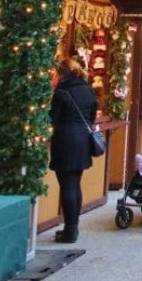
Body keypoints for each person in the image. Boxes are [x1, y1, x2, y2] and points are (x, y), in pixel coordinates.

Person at [48, 58, 97, 243]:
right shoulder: (88, 89)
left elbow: (53, 117)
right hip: (83, 140)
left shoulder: (62, 92)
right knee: (75, 184)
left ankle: (70, 231)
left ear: (61, 73)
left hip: (65, 139)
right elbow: (92, 116)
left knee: (67, 185)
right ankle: (73, 227)